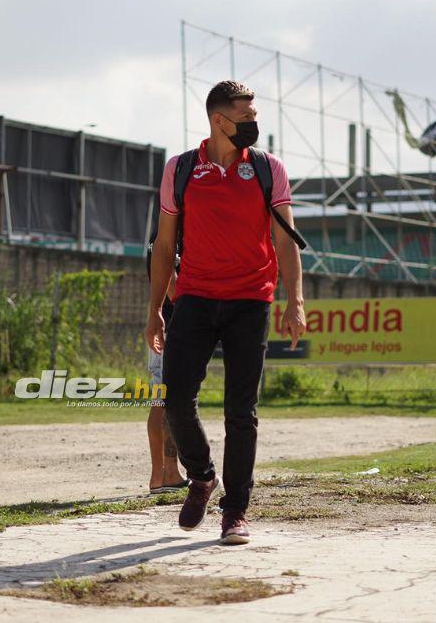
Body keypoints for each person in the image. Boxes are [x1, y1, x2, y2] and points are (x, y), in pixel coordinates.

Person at [145, 80, 306, 546]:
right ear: (220, 120)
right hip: (193, 297)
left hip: (250, 299)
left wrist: (294, 301)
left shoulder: (266, 168)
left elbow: (285, 241)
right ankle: (201, 477)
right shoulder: (180, 169)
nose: (254, 125)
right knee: (175, 398)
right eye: (247, 117)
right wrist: (155, 309)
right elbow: (163, 244)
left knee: (241, 412)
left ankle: (235, 511)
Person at [145, 247, 188, 494]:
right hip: (172, 328)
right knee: (167, 401)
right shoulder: (170, 234)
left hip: (163, 327)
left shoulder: (163, 233)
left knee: (160, 399)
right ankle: (168, 473)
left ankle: (160, 475)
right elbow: (171, 284)